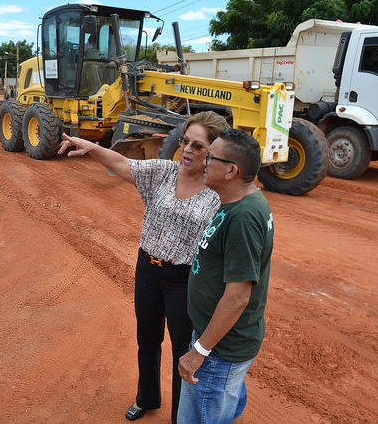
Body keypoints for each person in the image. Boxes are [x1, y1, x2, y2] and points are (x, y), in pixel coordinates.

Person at [58, 112, 229, 423]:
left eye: (198, 145)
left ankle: (182, 415)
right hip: (147, 270)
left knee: (183, 351)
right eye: (185, 141)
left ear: (214, 152)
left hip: (184, 279)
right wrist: (92, 148)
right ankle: (146, 397)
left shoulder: (218, 192)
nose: (188, 150)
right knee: (147, 340)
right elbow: (123, 165)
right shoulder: (164, 172)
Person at [177, 128, 274, 424]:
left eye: (211, 157)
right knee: (227, 412)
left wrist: (199, 351)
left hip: (218, 351)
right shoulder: (237, 203)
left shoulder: (243, 217)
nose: (204, 161)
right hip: (220, 344)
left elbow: (237, 297)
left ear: (232, 170)